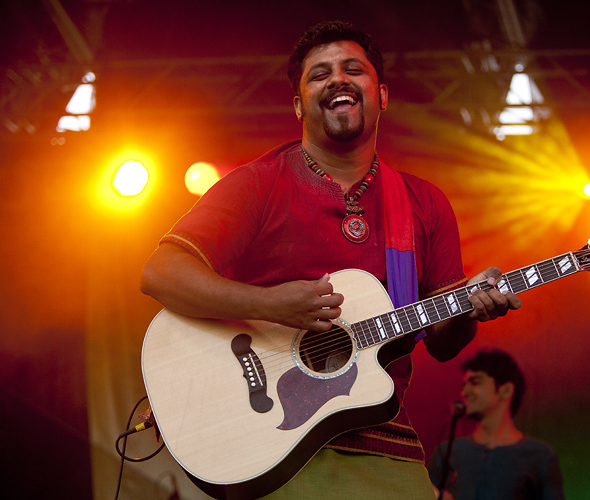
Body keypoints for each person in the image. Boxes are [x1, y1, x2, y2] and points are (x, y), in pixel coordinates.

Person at [140, 20, 521, 500]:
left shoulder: (423, 204)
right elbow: (161, 272)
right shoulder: (258, 183)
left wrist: (471, 309)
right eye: (319, 74)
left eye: (352, 69)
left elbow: (443, 345)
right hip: (265, 444)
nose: (337, 79)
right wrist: (270, 304)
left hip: (382, 442)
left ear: (381, 94)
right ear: (299, 105)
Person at [427, 349, 564, 500]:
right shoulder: (446, 452)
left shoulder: (540, 455)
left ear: (505, 390)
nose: (464, 392)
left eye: (475, 382)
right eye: (463, 384)